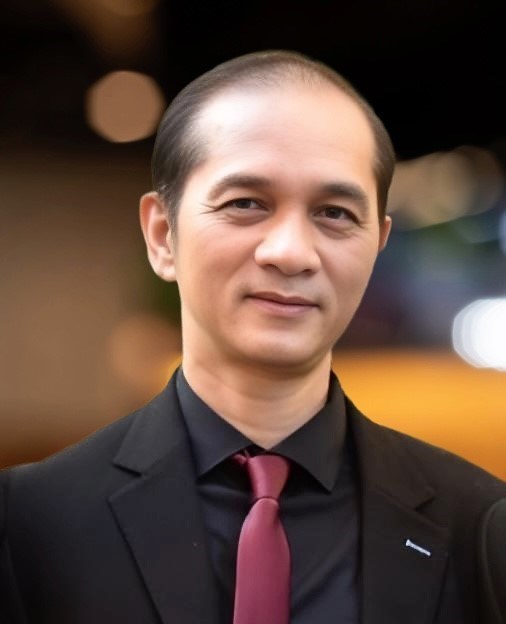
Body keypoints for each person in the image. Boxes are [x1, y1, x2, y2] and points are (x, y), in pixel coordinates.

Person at [1, 50, 505, 624]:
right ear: (163, 236)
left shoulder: (480, 529)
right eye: (245, 204)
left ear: (377, 243)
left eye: (335, 213)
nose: (290, 252)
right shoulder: (29, 525)